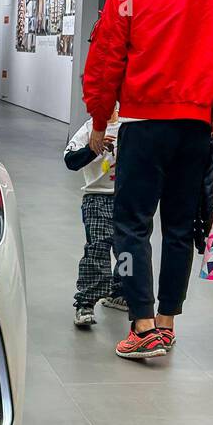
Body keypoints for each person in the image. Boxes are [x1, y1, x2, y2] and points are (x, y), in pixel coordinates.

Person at [82, 0, 213, 359]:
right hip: (197, 126)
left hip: (141, 125)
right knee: (180, 226)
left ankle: (140, 325)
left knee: (130, 225)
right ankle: (166, 322)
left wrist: (100, 122)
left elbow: (104, 64)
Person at [64, 119, 126, 326]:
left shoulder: (130, 123)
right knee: (98, 248)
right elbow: (70, 161)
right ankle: (86, 302)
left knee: (127, 250)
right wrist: (93, 147)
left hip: (129, 197)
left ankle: (121, 291)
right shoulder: (89, 128)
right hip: (97, 196)